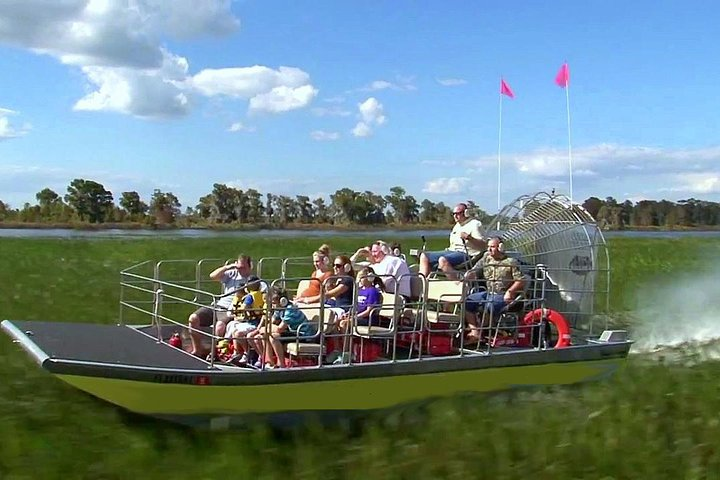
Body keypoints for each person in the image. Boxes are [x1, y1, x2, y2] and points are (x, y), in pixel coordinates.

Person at [187, 254, 257, 357]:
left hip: (231, 310)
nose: (240, 270)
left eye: (243, 267)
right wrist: (229, 267)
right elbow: (213, 276)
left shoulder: (254, 281)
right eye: (239, 267)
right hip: (218, 305)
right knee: (193, 318)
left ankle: (215, 352)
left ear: (250, 266)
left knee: (219, 326)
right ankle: (198, 350)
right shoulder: (232, 274)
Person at [463, 237, 525, 341]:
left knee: (489, 305)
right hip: (489, 292)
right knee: (468, 302)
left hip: (503, 294)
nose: (489, 249)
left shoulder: (511, 262)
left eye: (492, 247)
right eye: (488, 247)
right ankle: (475, 332)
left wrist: (510, 291)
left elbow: (521, 280)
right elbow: (474, 270)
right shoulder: (486, 258)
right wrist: (466, 277)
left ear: (500, 248)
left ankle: (485, 331)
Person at [419, 203, 486, 278]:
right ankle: (421, 283)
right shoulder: (457, 226)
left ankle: (458, 285)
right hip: (451, 251)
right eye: (453, 214)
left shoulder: (475, 224)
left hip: (466, 254)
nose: (455, 216)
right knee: (424, 256)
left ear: (466, 213)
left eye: (458, 213)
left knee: (442, 260)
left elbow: (483, 246)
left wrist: (470, 238)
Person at [249, 289, 311, 369]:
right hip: (292, 332)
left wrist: (266, 328)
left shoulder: (290, 309)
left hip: (303, 335)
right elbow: (271, 322)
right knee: (262, 336)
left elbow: (279, 329)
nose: (273, 306)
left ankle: (282, 365)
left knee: (273, 337)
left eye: (274, 303)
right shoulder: (279, 309)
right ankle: (269, 363)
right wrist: (263, 329)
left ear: (283, 301)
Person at [226, 276, 265, 364]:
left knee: (238, 333)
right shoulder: (261, 295)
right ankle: (238, 352)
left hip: (254, 323)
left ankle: (247, 353)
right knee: (234, 330)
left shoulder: (250, 297)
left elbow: (245, 307)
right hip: (254, 321)